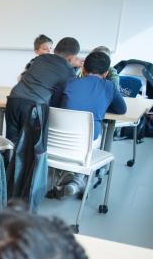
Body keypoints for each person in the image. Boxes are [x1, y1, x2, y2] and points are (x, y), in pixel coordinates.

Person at [51, 51, 126, 198]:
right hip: (86, 143)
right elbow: (122, 109)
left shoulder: (68, 82)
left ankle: (72, 179)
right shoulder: (108, 86)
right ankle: (79, 181)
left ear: (83, 69)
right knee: (92, 136)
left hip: (55, 142)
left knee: (74, 139)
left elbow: (54, 105)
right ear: (105, 73)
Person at [5, 37, 82, 147]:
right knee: (30, 149)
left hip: (13, 99)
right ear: (71, 57)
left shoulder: (40, 59)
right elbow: (59, 99)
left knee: (10, 143)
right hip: (33, 106)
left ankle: (6, 164)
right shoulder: (69, 72)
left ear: (54, 50)